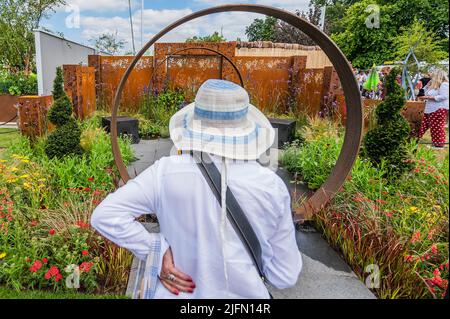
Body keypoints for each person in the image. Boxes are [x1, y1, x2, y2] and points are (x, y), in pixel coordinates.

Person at [91, 79, 302, 298]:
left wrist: (156, 248)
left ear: (194, 123)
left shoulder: (164, 173)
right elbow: (284, 276)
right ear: (246, 128)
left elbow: (105, 215)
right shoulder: (270, 186)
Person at [418, 69, 449, 150]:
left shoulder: (444, 84)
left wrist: (428, 97)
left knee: (437, 127)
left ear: (437, 76)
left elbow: (444, 96)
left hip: (439, 108)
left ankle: (438, 145)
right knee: (422, 125)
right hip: (429, 109)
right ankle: (414, 139)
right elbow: (423, 92)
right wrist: (426, 86)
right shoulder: (433, 85)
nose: (430, 77)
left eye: (432, 75)